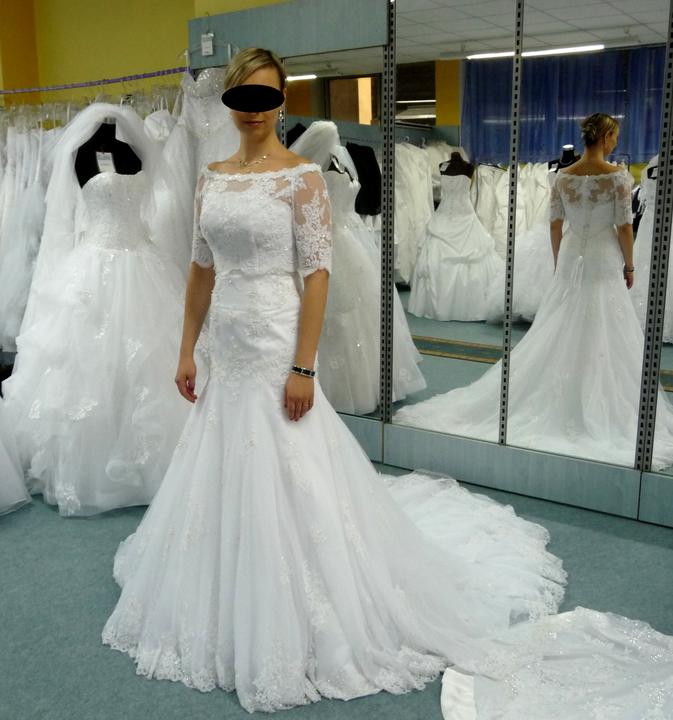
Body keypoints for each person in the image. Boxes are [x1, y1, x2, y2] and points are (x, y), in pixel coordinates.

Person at [100, 48, 567, 713]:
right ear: (229, 103)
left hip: (274, 338)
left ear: (281, 103)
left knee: (292, 461)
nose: (254, 111)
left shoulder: (301, 180)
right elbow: (201, 268)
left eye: (266, 98)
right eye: (243, 98)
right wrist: (185, 349)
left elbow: (316, 275)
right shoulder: (211, 179)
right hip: (226, 341)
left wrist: (303, 364)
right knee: (224, 454)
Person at [395, 113, 673, 470]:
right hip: (603, 257)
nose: (616, 142)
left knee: (563, 321)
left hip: (571, 254)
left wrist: (559, 261)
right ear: (605, 137)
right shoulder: (617, 177)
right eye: (615, 136)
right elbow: (623, 227)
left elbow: (556, 226)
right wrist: (630, 265)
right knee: (605, 323)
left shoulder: (564, 177)